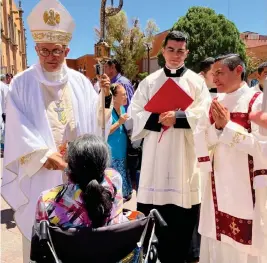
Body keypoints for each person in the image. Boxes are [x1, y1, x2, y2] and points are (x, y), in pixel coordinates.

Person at [1, 0, 112, 262]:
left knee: (77, 241)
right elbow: (17, 126)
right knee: (42, 239)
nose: (51, 56)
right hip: (42, 173)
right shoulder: (22, 83)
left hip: (77, 173)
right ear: (36, 49)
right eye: (44, 51)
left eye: (57, 51)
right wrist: (41, 154)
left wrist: (104, 100)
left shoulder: (80, 82)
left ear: (67, 50)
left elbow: (95, 123)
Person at [128, 30, 211, 263]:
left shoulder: (196, 82)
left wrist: (179, 117)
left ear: (187, 53)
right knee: (154, 221)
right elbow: (135, 113)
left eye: (180, 51)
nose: (175, 55)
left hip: (184, 156)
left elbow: (204, 115)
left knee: (183, 220)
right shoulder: (149, 82)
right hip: (156, 153)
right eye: (171, 50)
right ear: (163, 51)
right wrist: (157, 118)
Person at [194, 54, 267, 263]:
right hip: (216, 186)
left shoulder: (258, 101)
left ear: (238, 70)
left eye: (220, 73)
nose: (215, 79)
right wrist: (217, 128)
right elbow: (201, 138)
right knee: (218, 240)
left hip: (246, 188)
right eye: (213, 74)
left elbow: (263, 148)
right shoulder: (214, 103)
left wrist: (228, 127)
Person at [108, 83, 132, 201]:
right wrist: (119, 123)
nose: (126, 96)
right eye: (123, 95)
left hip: (123, 153)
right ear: (114, 97)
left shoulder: (122, 108)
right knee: (114, 189)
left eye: (126, 94)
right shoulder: (108, 111)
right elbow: (105, 131)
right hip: (113, 155)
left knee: (124, 192)